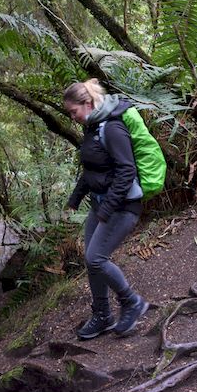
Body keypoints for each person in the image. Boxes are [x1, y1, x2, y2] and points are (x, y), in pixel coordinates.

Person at [63, 79, 149, 339]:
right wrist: (74, 200)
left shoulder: (112, 128)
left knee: (96, 258)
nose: (72, 117)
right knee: (92, 263)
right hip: (102, 205)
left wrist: (106, 210)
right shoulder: (92, 127)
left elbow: (126, 172)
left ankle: (132, 302)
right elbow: (91, 170)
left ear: (87, 103)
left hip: (122, 207)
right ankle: (102, 315)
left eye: (73, 112)